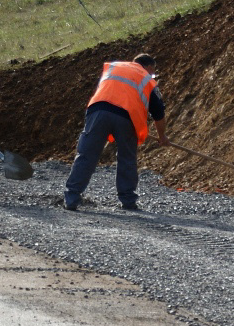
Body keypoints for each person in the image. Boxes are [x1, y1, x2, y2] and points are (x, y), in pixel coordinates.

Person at [63, 53, 167, 212]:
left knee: (86, 154)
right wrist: (162, 137)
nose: (151, 75)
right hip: (127, 117)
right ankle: (128, 201)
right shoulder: (146, 79)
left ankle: (71, 198)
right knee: (127, 158)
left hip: (97, 110)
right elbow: (158, 113)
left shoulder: (114, 67)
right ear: (147, 67)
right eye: (152, 71)